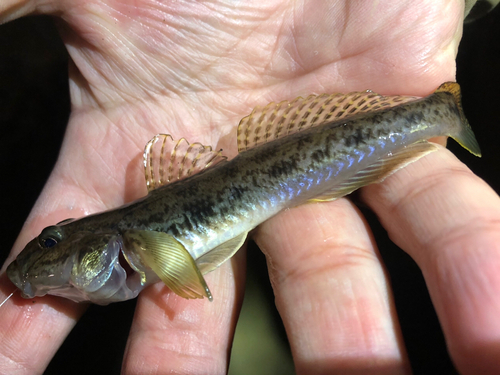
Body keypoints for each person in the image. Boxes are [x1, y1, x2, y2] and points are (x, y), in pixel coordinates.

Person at [1, 1, 499, 374]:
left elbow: (179, 270)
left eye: (54, 241)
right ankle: (436, 113)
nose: (49, 251)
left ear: (103, 247)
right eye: (51, 242)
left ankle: (436, 112)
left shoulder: (130, 242)